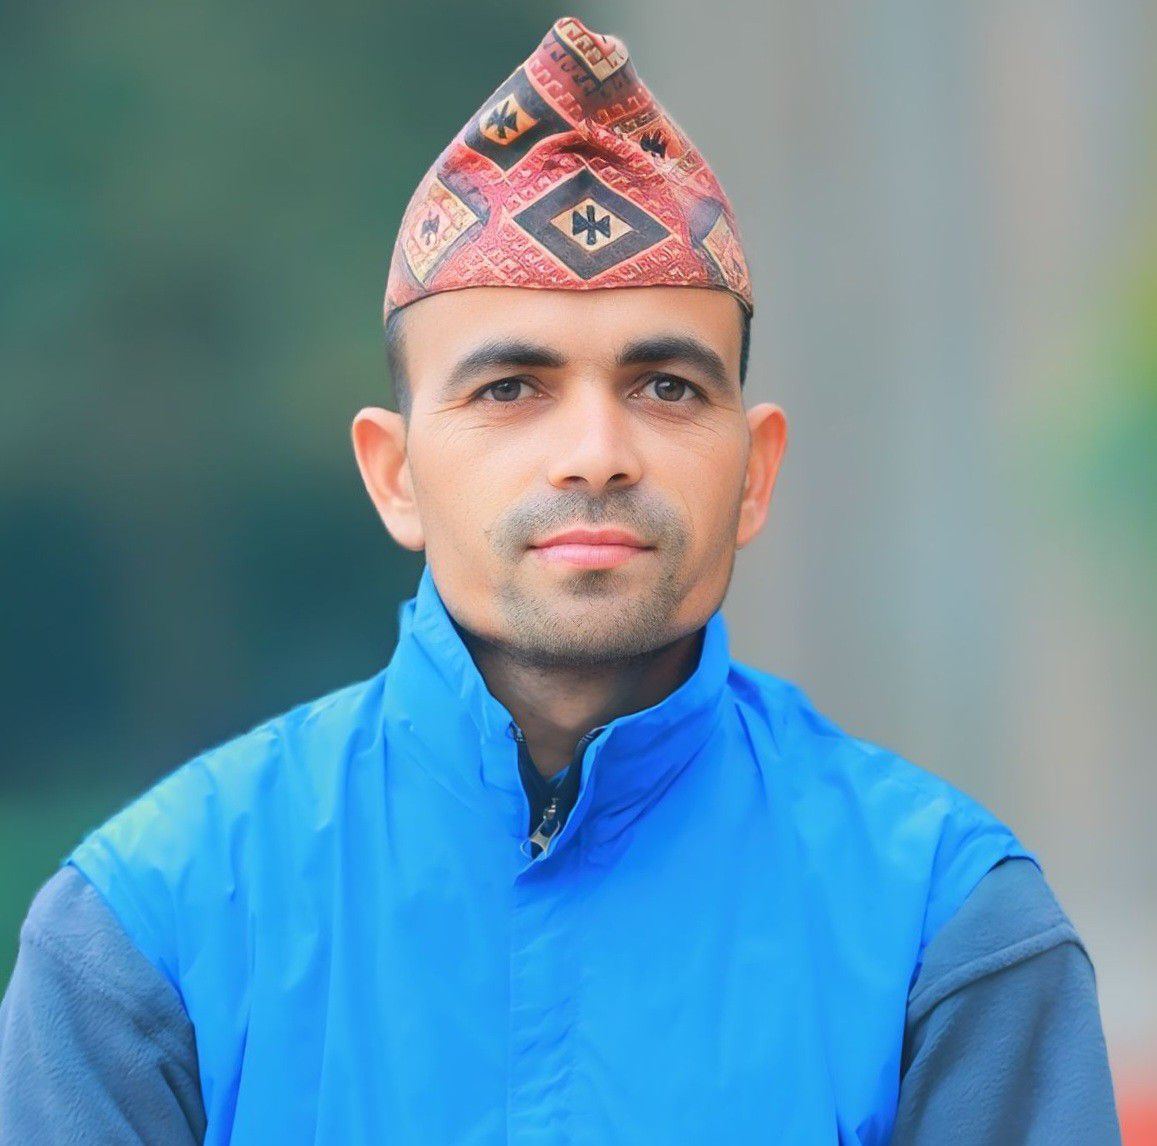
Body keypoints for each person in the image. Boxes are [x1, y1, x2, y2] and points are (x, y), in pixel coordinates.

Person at [0, 16, 1121, 1144]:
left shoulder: (944, 928)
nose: (595, 453)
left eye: (666, 388)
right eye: (510, 390)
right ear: (394, 475)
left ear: (754, 471)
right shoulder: (151, 934)